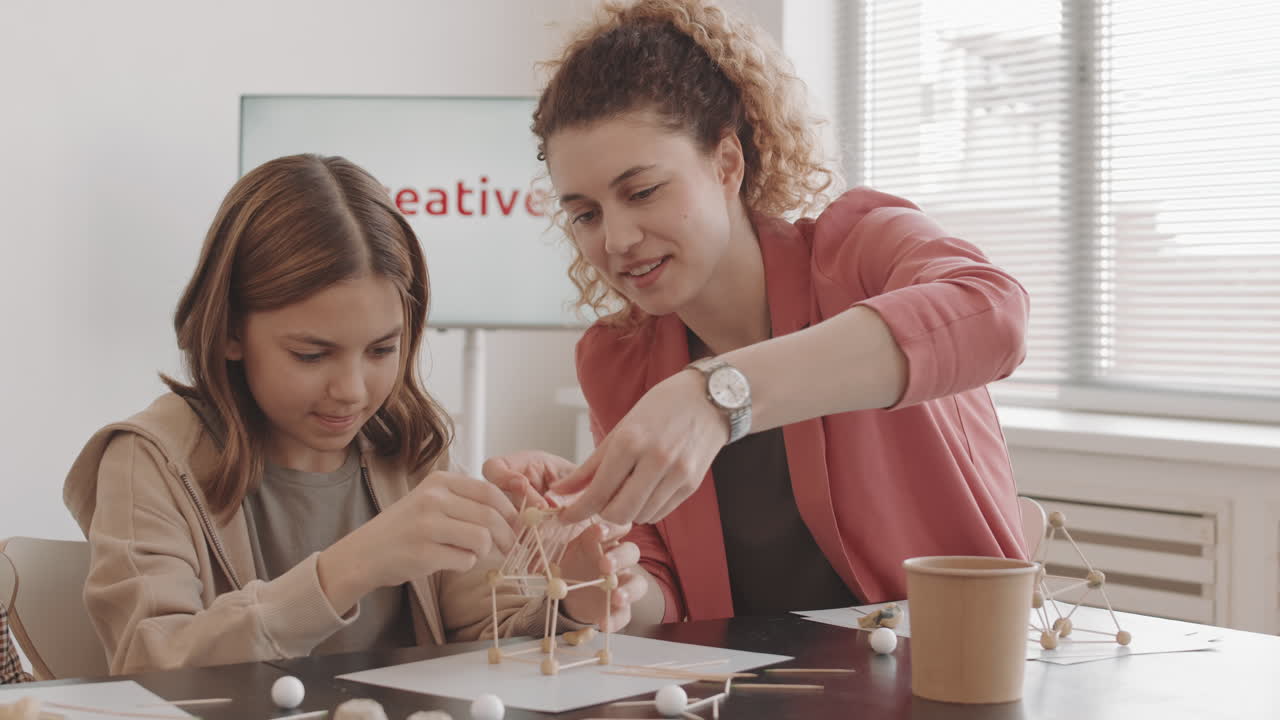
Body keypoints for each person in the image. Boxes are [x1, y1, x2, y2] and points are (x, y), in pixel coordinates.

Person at [497, 0, 1029, 624]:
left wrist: (719, 396)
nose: (614, 240)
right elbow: (664, 600)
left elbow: (995, 314)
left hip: (944, 672)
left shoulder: (861, 253)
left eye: (642, 192)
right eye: (585, 214)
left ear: (727, 164)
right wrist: (593, 559)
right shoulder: (617, 360)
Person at [63, 154, 640, 674]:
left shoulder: (406, 447)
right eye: (311, 354)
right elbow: (150, 663)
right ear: (231, 331)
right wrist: (348, 569)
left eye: (382, 350)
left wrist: (571, 597)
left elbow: (478, 630)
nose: (352, 391)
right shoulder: (149, 460)